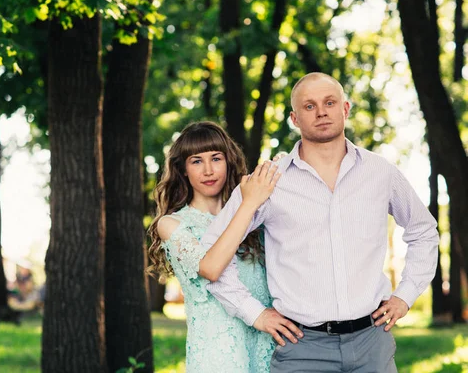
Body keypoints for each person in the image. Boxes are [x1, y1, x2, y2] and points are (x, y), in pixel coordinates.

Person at [201, 72, 439, 372]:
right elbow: (211, 253)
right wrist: (254, 313)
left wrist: (405, 295)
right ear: (295, 118)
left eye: (329, 102)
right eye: (309, 106)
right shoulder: (268, 180)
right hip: (302, 348)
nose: (322, 111)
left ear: (345, 108)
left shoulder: (381, 172)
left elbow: (423, 231)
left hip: (372, 343)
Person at [148, 121, 281, 372]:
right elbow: (211, 268)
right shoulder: (173, 224)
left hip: (267, 346)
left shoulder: (255, 219)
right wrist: (248, 203)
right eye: (197, 161)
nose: (208, 170)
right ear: (183, 169)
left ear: (228, 161)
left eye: (216, 158)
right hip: (218, 356)